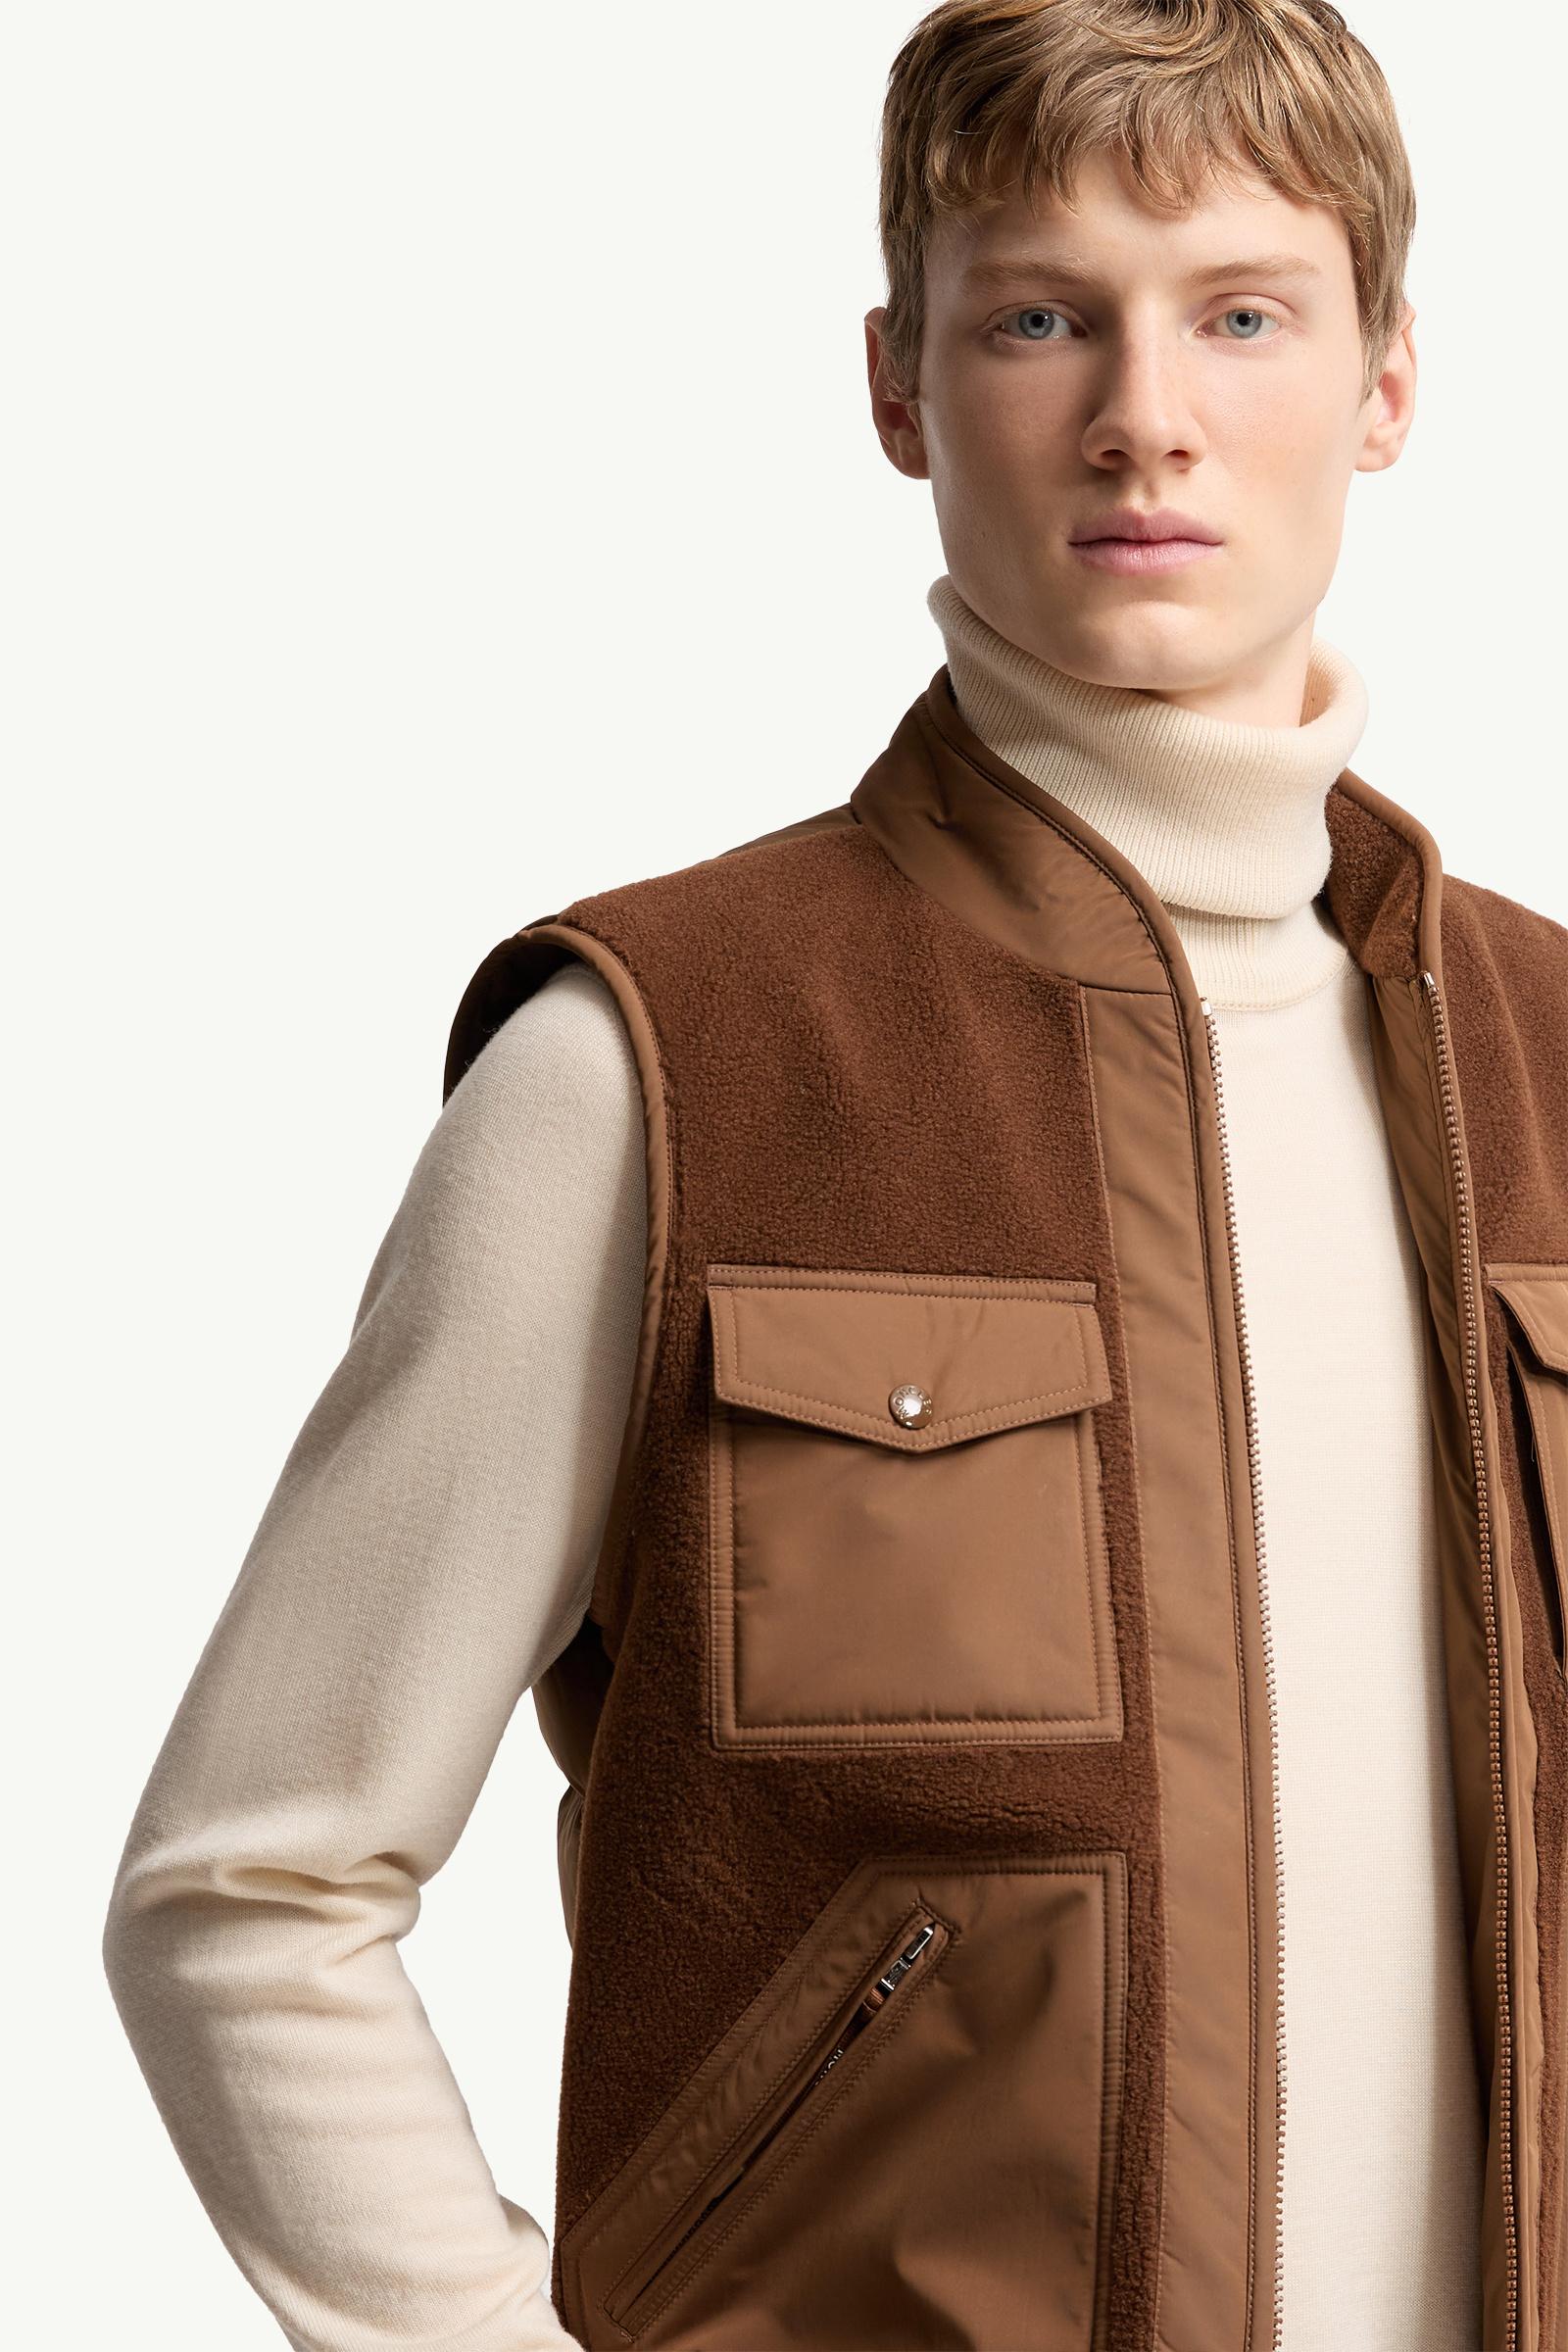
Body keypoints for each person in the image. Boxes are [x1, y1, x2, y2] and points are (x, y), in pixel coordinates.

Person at [103, 3, 1568, 2348]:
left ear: (1384, 380)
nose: (1143, 416)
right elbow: (247, 1889)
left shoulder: (1547, 1061)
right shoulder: (658, 1064)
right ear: (897, 385)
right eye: (1037, 318)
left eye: (1239, 315)